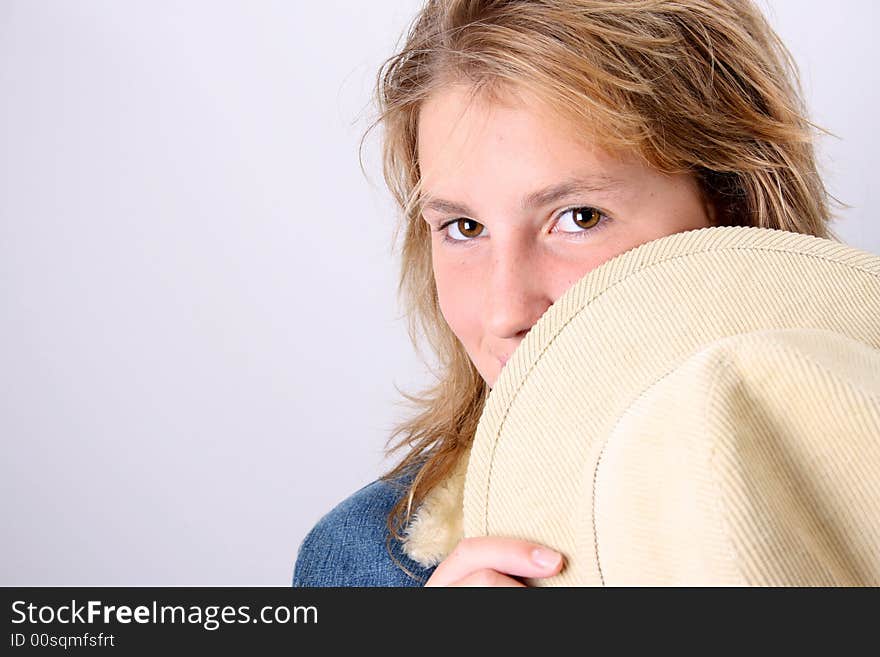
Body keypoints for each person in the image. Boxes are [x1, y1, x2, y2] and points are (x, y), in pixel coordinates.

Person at [291, 0, 837, 587]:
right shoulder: (369, 564)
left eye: (578, 217)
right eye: (464, 228)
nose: (505, 313)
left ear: (731, 208)